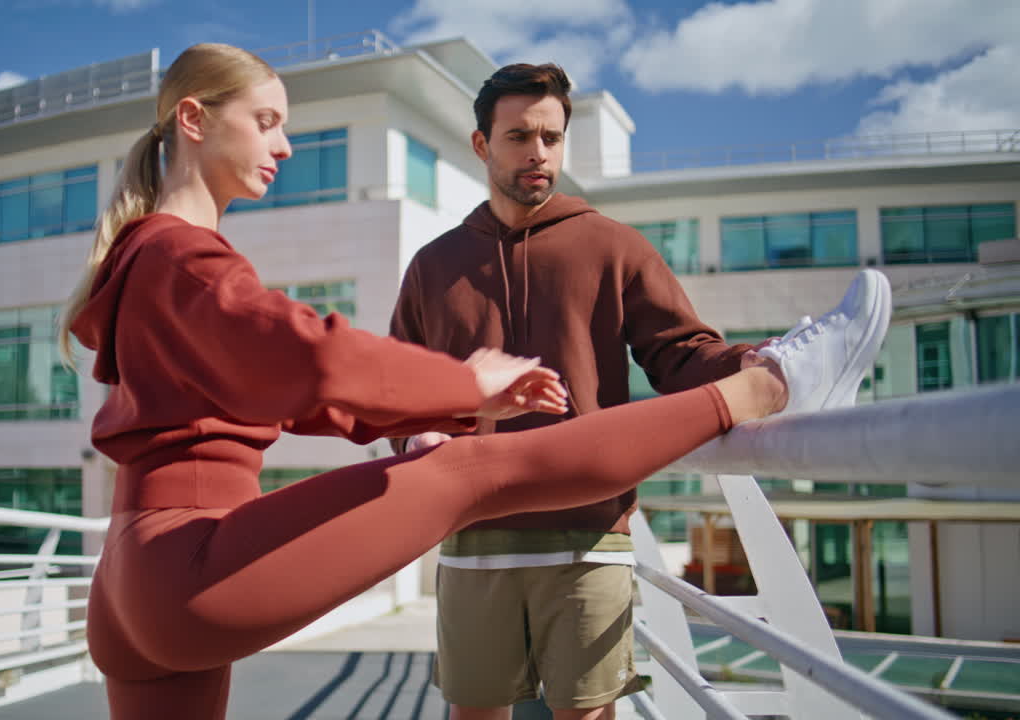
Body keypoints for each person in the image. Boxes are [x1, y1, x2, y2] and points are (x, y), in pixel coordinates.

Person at [58, 43, 889, 720]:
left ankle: (759, 374)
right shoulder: (184, 255)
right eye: (268, 122)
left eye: (552, 138)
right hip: (189, 562)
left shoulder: (139, 261)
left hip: (129, 581)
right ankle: (775, 384)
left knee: (453, 473)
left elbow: (296, 387)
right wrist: (460, 388)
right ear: (195, 120)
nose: (285, 145)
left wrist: (434, 401)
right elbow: (312, 358)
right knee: (467, 472)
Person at [389, 63, 890, 720]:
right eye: (518, 137)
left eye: (551, 136)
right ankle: (782, 378)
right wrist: (413, 432)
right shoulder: (433, 266)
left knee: (589, 715)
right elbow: (398, 390)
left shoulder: (613, 246)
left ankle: (783, 374)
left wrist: (747, 359)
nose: (538, 153)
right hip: (475, 535)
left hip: (591, 535)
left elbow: (681, 357)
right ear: (482, 144)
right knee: (474, 714)